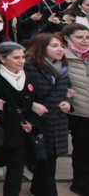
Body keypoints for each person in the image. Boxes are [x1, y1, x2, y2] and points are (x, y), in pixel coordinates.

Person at [25, 33, 73, 196]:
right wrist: (32, 105)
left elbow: (68, 91)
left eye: (61, 46)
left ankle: (39, 190)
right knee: (41, 159)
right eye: (54, 46)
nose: (60, 49)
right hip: (37, 121)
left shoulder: (63, 67)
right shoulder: (29, 67)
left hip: (57, 121)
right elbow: (20, 93)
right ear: (42, 47)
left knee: (50, 160)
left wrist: (68, 102)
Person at [0, 41, 35, 196]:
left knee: (16, 167)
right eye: (16, 58)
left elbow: (32, 100)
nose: (21, 61)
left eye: (23, 57)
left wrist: (31, 121)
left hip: (21, 130)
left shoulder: (27, 76)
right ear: (3, 59)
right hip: (2, 128)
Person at [62, 23, 89, 195]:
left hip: (86, 113)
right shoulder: (61, 55)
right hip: (66, 110)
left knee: (83, 152)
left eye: (87, 37)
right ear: (67, 38)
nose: (85, 41)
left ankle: (81, 186)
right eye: (79, 37)